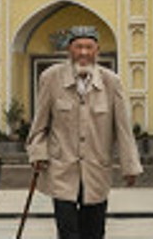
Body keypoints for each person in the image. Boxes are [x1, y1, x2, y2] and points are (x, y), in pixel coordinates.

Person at [27, 25, 143, 239]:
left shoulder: (111, 82)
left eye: (89, 47)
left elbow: (123, 129)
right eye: (78, 46)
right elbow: (39, 125)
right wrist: (38, 153)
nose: (83, 52)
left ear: (97, 50)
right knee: (68, 232)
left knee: (94, 233)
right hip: (62, 172)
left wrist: (130, 166)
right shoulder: (51, 78)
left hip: (97, 171)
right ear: (69, 50)